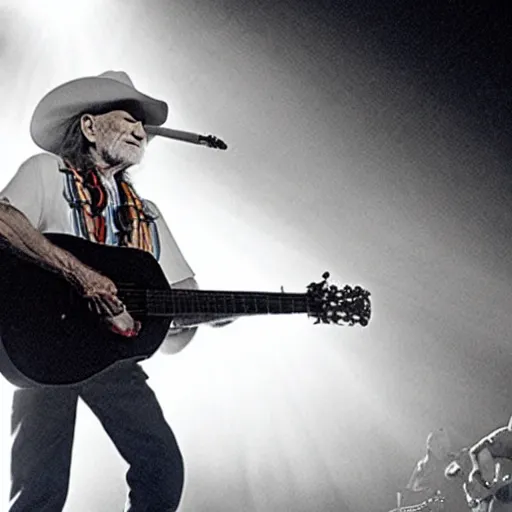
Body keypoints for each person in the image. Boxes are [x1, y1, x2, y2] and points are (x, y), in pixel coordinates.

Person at [0, 70, 232, 511]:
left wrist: (207, 311)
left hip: (111, 356)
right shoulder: (45, 171)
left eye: (143, 125)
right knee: (40, 493)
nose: (140, 130)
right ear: (89, 126)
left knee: (162, 471)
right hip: (42, 347)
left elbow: (178, 316)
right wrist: (82, 276)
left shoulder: (146, 213)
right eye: (128, 118)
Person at [396, 427, 468, 511]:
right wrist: (428, 495)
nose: (444, 449)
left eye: (445, 445)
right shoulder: (423, 466)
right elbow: (410, 494)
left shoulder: (455, 460)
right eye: (439, 446)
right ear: (431, 446)